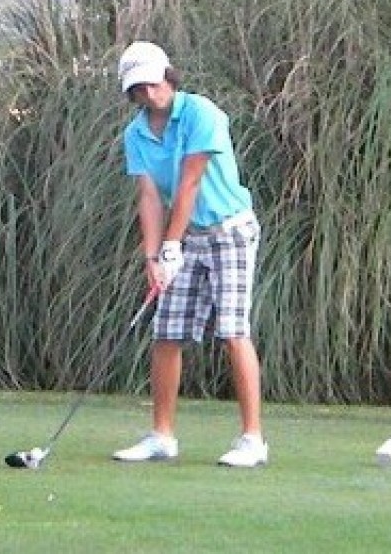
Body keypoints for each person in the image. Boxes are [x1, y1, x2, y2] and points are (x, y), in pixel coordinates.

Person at [112, 41, 268, 467]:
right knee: (167, 334)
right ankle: (162, 436)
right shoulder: (136, 133)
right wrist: (152, 258)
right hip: (184, 238)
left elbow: (190, 183)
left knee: (233, 330)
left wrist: (170, 247)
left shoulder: (202, 113)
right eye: (138, 88)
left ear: (167, 75)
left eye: (152, 82)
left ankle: (253, 439)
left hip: (229, 231)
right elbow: (148, 197)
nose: (148, 93)